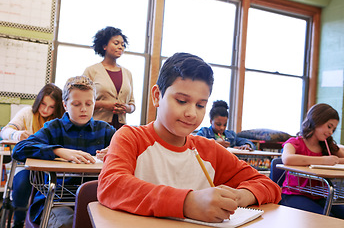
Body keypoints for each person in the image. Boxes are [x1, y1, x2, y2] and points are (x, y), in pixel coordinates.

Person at [97, 52, 281, 223]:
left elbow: (267, 185)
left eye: (201, 105)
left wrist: (238, 196)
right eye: (182, 101)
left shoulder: (209, 150)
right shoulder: (131, 138)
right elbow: (111, 185)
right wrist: (187, 203)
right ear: (157, 96)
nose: (192, 113)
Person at [12, 76, 116, 227]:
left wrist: (114, 152)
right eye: (76, 104)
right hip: (57, 201)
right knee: (66, 224)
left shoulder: (105, 130)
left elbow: (132, 151)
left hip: (97, 199)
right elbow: (19, 149)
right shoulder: (53, 127)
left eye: (89, 104)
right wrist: (57, 151)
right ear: (65, 105)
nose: (83, 109)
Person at [1, 83, 65, 228]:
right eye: (43, 104)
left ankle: (42, 220)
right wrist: (18, 134)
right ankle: (18, 221)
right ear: (38, 101)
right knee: (23, 183)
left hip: (51, 167)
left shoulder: (60, 121)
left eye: (51, 107)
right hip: (26, 165)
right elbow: (5, 131)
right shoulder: (27, 113)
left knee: (54, 189)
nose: (45, 110)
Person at [280, 103, 344, 219]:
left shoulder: (327, 146)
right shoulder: (295, 142)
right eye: (329, 126)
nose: (330, 132)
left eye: (333, 130)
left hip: (320, 196)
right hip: (293, 194)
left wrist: (335, 160)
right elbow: (287, 159)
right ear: (317, 120)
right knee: (327, 218)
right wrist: (323, 160)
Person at [83, 26, 135, 130]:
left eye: (123, 44)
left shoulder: (127, 73)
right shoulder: (91, 71)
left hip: (120, 129)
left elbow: (132, 104)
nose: (120, 47)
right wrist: (104, 104)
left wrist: (127, 108)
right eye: (116, 43)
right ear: (104, 46)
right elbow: (82, 102)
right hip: (96, 128)